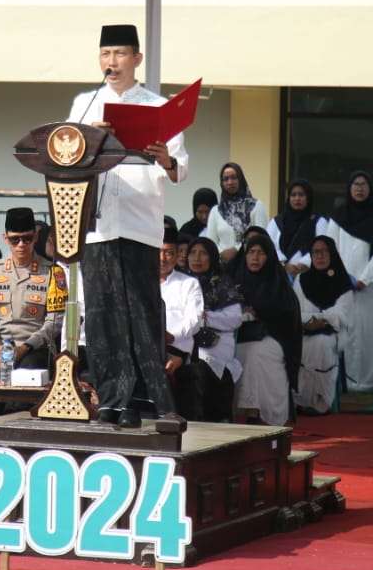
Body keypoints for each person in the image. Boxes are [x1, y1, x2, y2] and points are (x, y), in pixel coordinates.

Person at [67, 23, 186, 428]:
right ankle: (111, 400)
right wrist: (89, 139)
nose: (111, 62)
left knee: (140, 312)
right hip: (97, 224)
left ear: (136, 58)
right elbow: (66, 156)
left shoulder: (157, 106)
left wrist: (165, 158)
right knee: (101, 315)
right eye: (105, 54)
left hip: (139, 223)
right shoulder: (84, 105)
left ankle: (150, 400)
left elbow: (180, 168)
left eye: (119, 54)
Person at [0, 208, 67, 420]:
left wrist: (25, 347)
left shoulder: (54, 273)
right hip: (0, 345)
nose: (21, 245)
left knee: (27, 372)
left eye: (27, 239)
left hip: (35, 347)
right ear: (5, 238)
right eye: (15, 240)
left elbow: (55, 321)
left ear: (35, 237)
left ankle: (12, 425)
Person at [323, 170, 373, 393]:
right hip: (342, 285)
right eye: (355, 184)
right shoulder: (338, 217)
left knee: (369, 333)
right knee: (345, 331)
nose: (359, 188)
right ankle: (346, 383)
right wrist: (343, 278)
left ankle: (368, 382)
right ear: (349, 188)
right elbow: (329, 249)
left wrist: (364, 279)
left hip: (370, 286)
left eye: (363, 184)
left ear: (370, 189)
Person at [231, 233, 301, 425]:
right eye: (251, 252)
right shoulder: (234, 279)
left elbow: (288, 319)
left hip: (274, 336)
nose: (255, 257)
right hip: (238, 336)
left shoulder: (278, 282)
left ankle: (259, 413)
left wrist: (260, 311)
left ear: (269, 256)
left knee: (255, 354)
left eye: (261, 253)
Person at [185, 237, 244, 422]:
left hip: (216, 341)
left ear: (212, 257)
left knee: (203, 367)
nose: (197, 258)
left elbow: (235, 319)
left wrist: (205, 317)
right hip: (184, 338)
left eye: (203, 253)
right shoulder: (181, 281)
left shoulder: (222, 283)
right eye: (192, 253)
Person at [294, 235, 352, 414]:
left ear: (332, 253)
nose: (319, 256)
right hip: (304, 329)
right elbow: (295, 310)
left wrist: (322, 320)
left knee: (320, 344)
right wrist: (310, 322)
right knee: (298, 346)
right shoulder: (301, 280)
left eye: (324, 251)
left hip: (333, 331)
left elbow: (343, 313)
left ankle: (320, 401)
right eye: (315, 252)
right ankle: (302, 399)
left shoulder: (343, 281)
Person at [158, 227, 204, 421]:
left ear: (178, 256)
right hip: (148, 349)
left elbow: (195, 319)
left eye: (169, 253)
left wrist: (171, 336)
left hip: (177, 351)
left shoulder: (189, 283)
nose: (163, 258)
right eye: (159, 252)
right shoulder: (142, 283)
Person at [205, 163, 269, 261]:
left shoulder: (256, 206)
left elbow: (261, 238)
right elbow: (210, 242)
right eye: (225, 179)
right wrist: (221, 253)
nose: (230, 182)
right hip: (222, 264)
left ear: (241, 179)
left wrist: (237, 250)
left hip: (249, 263)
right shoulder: (216, 211)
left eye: (234, 178)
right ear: (222, 183)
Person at [266, 178, 322, 278]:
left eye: (301, 195)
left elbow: (322, 246)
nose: (297, 198)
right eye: (293, 195)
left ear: (308, 198)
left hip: (310, 275)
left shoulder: (318, 222)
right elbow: (268, 246)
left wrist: (305, 263)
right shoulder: (277, 222)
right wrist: (284, 265)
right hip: (280, 275)